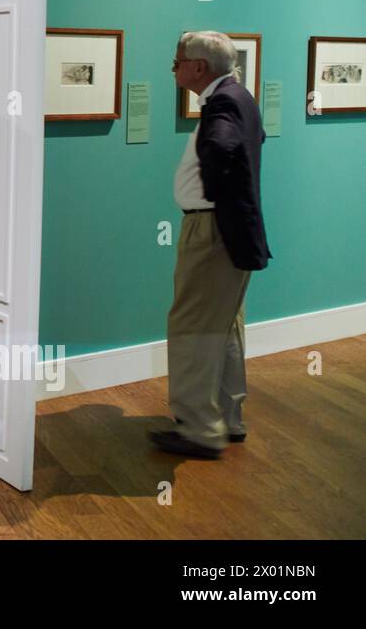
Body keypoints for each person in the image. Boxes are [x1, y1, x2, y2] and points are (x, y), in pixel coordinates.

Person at [150, 31, 272, 459]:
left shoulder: (222, 103)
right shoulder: (239, 96)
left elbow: (221, 146)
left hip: (210, 230)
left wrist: (215, 192)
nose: (174, 68)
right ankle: (227, 417)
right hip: (229, 230)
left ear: (198, 67)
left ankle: (200, 429)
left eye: (178, 61)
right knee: (224, 325)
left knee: (194, 325)